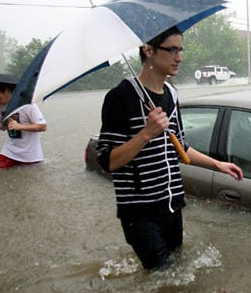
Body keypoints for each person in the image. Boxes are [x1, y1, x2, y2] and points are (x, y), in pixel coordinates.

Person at [97, 26, 243, 270]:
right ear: (149, 50)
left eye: (181, 49)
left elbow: (180, 147)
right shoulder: (120, 97)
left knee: (176, 272)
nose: (180, 57)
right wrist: (145, 133)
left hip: (173, 205)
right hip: (139, 214)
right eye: (172, 49)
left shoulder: (172, 95)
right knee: (161, 276)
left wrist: (217, 164)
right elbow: (107, 161)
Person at [0, 83, 47, 169]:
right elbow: (3, 127)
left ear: (7, 91)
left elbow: (43, 126)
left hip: (30, 153)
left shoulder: (28, 104)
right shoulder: (0, 106)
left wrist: (20, 126)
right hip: (9, 150)